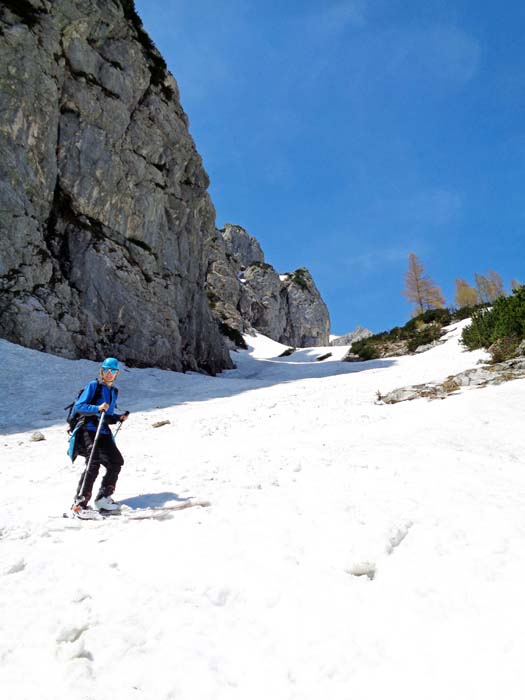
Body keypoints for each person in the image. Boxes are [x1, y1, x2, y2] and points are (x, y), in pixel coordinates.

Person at [71, 357, 129, 514]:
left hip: (102, 431)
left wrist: (118, 417)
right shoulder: (94, 386)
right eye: (107, 370)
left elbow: (107, 416)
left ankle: (103, 498)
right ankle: (80, 503)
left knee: (116, 461)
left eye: (113, 371)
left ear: (117, 373)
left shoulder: (113, 391)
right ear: (102, 371)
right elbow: (79, 406)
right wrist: (97, 407)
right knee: (93, 463)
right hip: (88, 429)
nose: (110, 374)